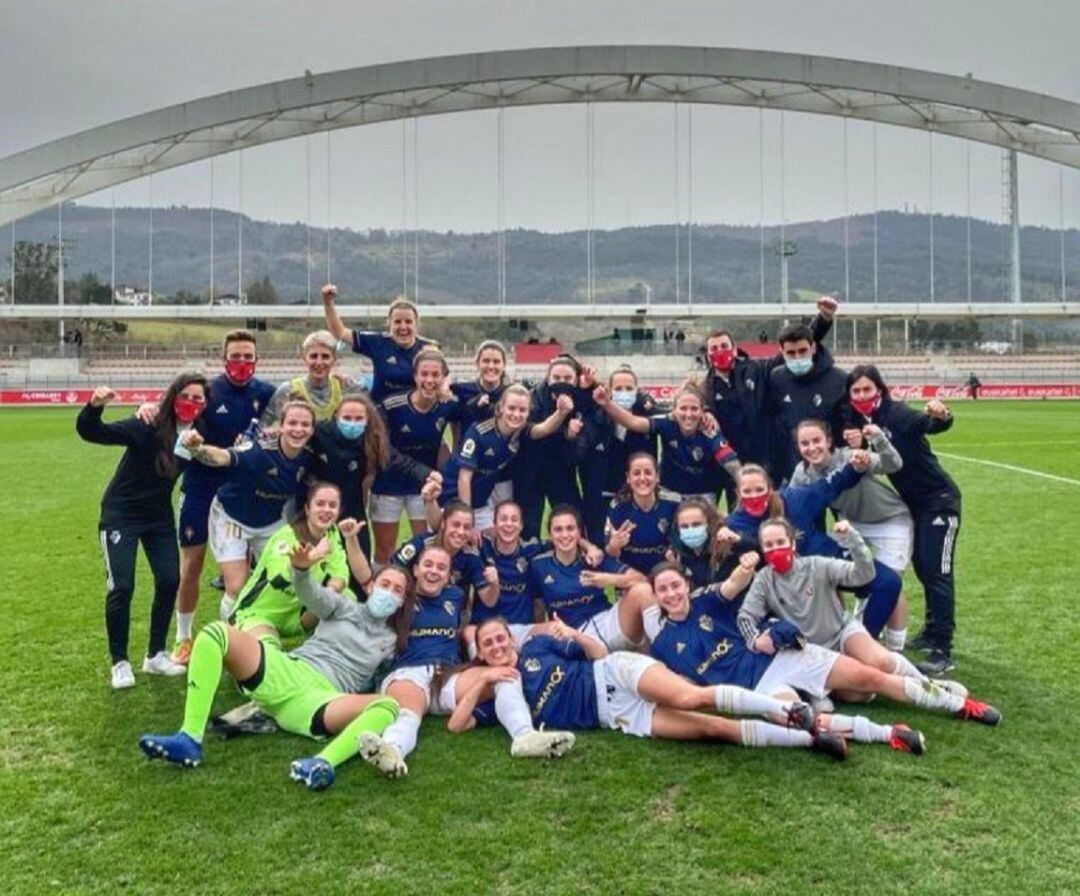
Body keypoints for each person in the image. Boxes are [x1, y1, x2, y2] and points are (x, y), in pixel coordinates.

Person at [642, 563, 1000, 751]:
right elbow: (684, 690)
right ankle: (887, 733)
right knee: (803, 722)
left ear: (686, 585)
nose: (672, 594)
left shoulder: (708, 599)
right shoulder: (662, 646)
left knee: (869, 677)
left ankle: (959, 705)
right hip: (758, 688)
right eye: (663, 590)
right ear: (656, 596)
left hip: (786, 657)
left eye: (676, 586)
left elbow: (734, 584)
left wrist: (751, 573)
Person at [138, 563, 410, 791]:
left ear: (402, 602)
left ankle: (321, 763)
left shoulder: (393, 642)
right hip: (288, 669)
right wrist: (301, 568)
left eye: (398, 590)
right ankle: (189, 738)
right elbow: (309, 592)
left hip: (322, 699)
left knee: (388, 705)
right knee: (215, 633)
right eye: (385, 584)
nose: (389, 593)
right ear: (371, 585)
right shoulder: (344, 605)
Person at [470, 617, 847, 758]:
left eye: (500, 639)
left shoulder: (536, 646)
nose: (497, 647)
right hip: (616, 715)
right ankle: (813, 739)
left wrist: (573, 634)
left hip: (614, 672)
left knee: (690, 696)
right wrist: (484, 682)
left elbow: (599, 652)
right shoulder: (504, 694)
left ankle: (788, 711)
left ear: (511, 639)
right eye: (488, 645)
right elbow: (458, 725)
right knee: (711, 728)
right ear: (483, 656)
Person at [357, 545, 572, 777]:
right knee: (409, 714)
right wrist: (351, 540)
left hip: (447, 675)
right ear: (416, 570)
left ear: (449, 576)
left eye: (441, 568)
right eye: (428, 565)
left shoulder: (455, 596)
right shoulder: (400, 599)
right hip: (409, 673)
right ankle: (392, 752)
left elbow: (477, 622)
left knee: (505, 674)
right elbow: (368, 581)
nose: (433, 572)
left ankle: (524, 737)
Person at [140, 330, 275, 665]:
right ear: (223, 358)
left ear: (256, 360)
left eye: (247, 357)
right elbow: (172, 413)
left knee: (246, 574)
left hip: (243, 493)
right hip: (201, 488)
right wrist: (147, 408)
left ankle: (239, 635)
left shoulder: (267, 394)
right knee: (192, 565)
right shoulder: (208, 392)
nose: (241, 363)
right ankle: (183, 637)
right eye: (235, 357)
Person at [77, 374, 209, 688]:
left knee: (169, 580)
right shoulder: (146, 425)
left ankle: (155, 655)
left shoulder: (198, 435)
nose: (191, 403)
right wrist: (94, 406)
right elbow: (93, 432)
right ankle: (120, 662)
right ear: (173, 396)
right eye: (185, 395)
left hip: (158, 518)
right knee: (122, 586)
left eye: (198, 398)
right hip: (121, 515)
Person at [840, 365, 963, 676]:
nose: (862, 395)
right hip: (915, 505)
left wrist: (942, 414)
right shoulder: (864, 421)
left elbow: (932, 425)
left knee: (937, 570)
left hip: (939, 501)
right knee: (923, 567)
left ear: (879, 390)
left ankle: (942, 648)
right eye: (856, 391)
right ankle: (932, 630)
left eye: (868, 389)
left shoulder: (898, 414)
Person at [723, 462, 902, 644]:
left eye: (759, 489)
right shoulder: (733, 527)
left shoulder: (796, 499)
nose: (754, 496)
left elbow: (831, 485)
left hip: (826, 566)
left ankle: (866, 640)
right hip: (787, 585)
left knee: (888, 581)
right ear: (738, 493)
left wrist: (855, 466)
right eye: (747, 491)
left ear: (770, 489)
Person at [737, 519, 929, 682]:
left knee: (881, 662)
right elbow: (745, 617)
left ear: (793, 544)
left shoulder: (817, 565)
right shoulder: (763, 579)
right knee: (859, 691)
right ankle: (899, 684)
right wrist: (755, 641)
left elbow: (864, 575)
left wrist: (854, 541)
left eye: (781, 542)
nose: (775, 549)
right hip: (812, 652)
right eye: (769, 545)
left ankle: (925, 684)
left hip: (841, 631)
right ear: (762, 550)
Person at [180, 400, 316, 622]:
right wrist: (197, 448)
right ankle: (231, 637)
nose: (298, 429)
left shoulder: (310, 456)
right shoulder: (258, 451)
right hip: (232, 519)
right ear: (281, 426)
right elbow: (222, 456)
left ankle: (269, 625)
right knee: (236, 586)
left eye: (305, 424)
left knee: (287, 577)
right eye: (292, 423)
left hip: (272, 524)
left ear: (312, 429)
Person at [788, 417, 913, 650]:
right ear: (798, 447)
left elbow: (894, 464)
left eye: (817, 440)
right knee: (833, 575)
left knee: (889, 583)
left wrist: (877, 442)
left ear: (829, 440)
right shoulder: (802, 473)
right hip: (850, 525)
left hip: (889, 520)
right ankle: (841, 632)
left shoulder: (849, 456)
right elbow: (798, 510)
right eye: (805, 443)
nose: (812, 447)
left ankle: (895, 650)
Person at [697, 297, 835, 479]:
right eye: (713, 348)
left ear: (735, 349)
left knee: (779, 506)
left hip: (771, 462)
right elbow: (695, 408)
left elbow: (795, 344)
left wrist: (823, 319)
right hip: (735, 470)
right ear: (707, 354)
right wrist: (706, 410)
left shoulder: (757, 370)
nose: (719, 351)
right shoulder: (705, 388)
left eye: (724, 346)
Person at [231, 482, 372, 642]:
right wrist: (304, 563)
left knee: (347, 598)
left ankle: (330, 647)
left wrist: (330, 593)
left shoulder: (332, 533)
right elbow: (278, 579)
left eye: (332, 505)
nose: (326, 510)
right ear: (307, 509)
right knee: (267, 654)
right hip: (262, 614)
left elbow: (341, 573)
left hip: (299, 619)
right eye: (320, 504)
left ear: (338, 512)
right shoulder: (287, 537)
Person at [307, 390, 431, 561]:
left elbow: (398, 461)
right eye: (347, 418)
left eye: (358, 419)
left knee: (359, 565)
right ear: (336, 416)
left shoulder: (372, 440)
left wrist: (429, 474)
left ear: (367, 420)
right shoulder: (319, 434)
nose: (352, 423)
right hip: (320, 510)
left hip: (353, 510)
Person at [439, 383, 574, 531]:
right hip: (452, 498)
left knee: (499, 540)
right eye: (511, 408)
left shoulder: (519, 431)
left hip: (479, 503)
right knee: (455, 539)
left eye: (522, 410)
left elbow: (542, 429)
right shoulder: (479, 432)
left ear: (529, 413)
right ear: (500, 408)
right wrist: (466, 522)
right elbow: (464, 479)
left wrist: (561, 413)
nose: (516, 414)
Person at [370, 348, 461, 563]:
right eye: (424, 374)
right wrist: (424, 471)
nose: (429, 380)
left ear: (443, 377)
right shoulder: (392, 406)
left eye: (435, 375)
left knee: (426, 547)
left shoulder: (448, 405)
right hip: (388, 486)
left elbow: (468, 407)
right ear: (415, 376)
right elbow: (384, 449)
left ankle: (419, 595)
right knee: (385, 550)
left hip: (424, 490)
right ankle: (383, 594)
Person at [593, 383, 739, 502]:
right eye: (683, 408)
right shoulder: (666, 422)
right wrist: (607, 404)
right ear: (674, 410)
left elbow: (729, 460)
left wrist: (747, 482)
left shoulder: (708, 428)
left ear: (703, 411)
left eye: (694, 409)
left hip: (702, 496)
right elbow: (633, 422)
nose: (688, 414)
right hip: (670, 493)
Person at [529, 505, 648, 650]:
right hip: (572, 635)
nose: (565, 535)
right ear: (550, 534)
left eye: (570, 528)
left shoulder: (594, 558)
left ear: (579, 533)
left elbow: (641, 579)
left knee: (643, 591)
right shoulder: (539, 565)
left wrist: (608, 579)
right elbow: (538, 605)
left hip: (606, 623)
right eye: (558, 529)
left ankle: (661, 650)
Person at [513, 355, 594, 539]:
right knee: (528, 524)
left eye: (567, 378)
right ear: (548, 378)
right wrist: (564, 428)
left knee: (571, 518)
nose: (561, 382)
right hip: (530, 467)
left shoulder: (580, 397)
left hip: (562, 468)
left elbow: (598, 401)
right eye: (556, 378)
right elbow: (532, 431)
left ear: (576, 379)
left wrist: (573, 437)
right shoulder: (534, 397)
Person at [578, 365, 658, 544]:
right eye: (619, 389)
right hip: (600, 499)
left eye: (629, 389)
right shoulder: (596, 417)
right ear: (610, 391)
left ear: (637, 391)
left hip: (636, 498)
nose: (624, 393)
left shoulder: (647, 419)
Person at [320, 283, 436, 402]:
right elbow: (341, 333)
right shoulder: (378, 342)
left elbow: (442, 380)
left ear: (416, 324)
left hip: (414, 415)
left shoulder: (429, 348)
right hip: (381, 414)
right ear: (389, 324)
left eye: (408, 322)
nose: (403, 327)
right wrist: (328, 304)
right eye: (397, 322)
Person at [768, 318, 847, 480]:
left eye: (802, 351)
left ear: (813, 348)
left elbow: (850, 422)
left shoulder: (839, 379)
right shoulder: (776, 379)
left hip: (835, 469)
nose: (797, 357)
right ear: (781, 352)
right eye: (791, 353)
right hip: (794, 471)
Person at [604, 453, 680, 576]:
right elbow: (610, 554)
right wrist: (614, 545)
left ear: (657, 476)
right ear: (628, 478)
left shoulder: (673, 503)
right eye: (636, 473)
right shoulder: (617, 508)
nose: (642, 478)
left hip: (664, 575)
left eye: (648, 472)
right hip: (632, 577)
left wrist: (676, 550)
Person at [262, 330, 358, 424]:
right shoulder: (288, 391)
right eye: (313, 356)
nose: (319, 362)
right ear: (304, 358)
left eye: (325, 356)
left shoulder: (346, 388)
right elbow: (265, 426)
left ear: (334, 359)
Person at [666, 497, 732, 588]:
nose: (690, 530)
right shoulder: (675, 553)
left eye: (696, 524)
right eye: (684, 526)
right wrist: (677, 571)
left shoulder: (725, 546)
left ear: (709, 524)